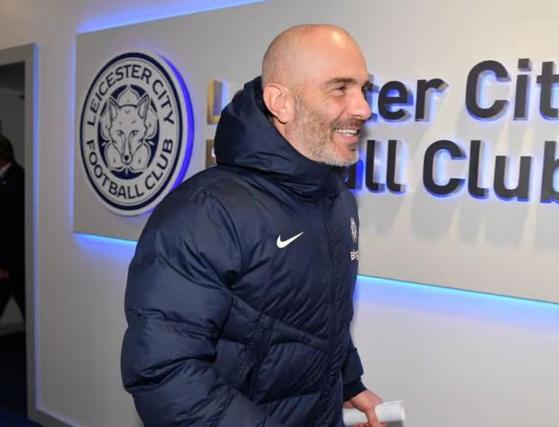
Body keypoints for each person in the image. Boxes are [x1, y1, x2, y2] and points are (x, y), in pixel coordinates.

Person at [121, 24, 385, 427]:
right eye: (340, 89)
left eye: (363, 89)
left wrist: (349, 383)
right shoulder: (206, 211)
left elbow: (315, 318)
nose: (363, 109)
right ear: (281, 102)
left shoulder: (336, 199)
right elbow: (165, 374)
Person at [0, 134, 25, 322]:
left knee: (28, 310)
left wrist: (5, 265)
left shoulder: (18, 179)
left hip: (13, 265)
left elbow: (14, 227)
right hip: (7, 264)